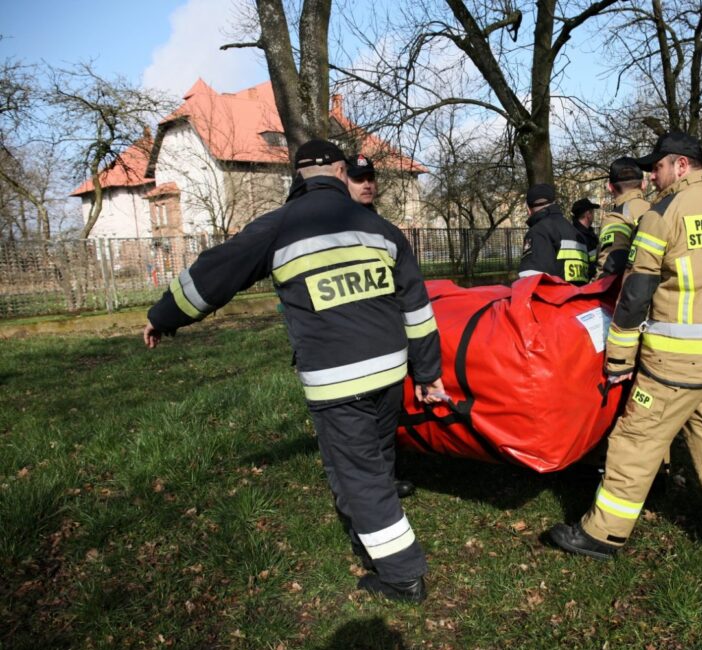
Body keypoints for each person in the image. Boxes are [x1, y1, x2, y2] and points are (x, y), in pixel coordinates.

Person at [142, 139, 444, 603]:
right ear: (342, 173)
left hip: (337, 380)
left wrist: (163, 316)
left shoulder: (278, 227)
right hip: (390, 371)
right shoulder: (381, 229)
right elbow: (417, 307)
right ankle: (375, 511)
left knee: (359, 476)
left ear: (297, 175)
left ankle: (402, 574)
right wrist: (426, 374)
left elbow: (212, 276)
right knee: (375, 456)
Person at [547, 132, 702, 569]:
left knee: (635, 441)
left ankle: (602, 534)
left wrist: (619, 358)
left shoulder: (663, 216)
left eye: (656, 167)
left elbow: (636, 294)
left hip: (673, 365)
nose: (651, 177)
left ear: (680, 165)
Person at [344, 152, 416, 499]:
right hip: (347, 342)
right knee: (358, 429)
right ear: (342, 180)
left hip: (385, 342)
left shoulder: (384, 230)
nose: (368, 184)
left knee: (386, 422)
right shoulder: (334, 229)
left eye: (371, 177)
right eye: (359, 179)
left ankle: (384, 483)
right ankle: (366, 493)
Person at [517, 183, 590, 284]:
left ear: (528, 210)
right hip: (579, 298)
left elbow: (530, 280)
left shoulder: (538, 232)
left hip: (555, 299)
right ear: (554, 203)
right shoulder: (577, 234)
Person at [593, 157, 650, 279]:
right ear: (644, 184)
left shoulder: (616, 217)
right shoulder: (659, 209)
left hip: (629, 292)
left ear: (609, 187)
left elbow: (610, 269)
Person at [571, 197, 601, 278]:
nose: (594, 215)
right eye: (593, 212)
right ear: (588, 214)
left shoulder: (587, 233)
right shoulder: (579, 235)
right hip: (586, 281)